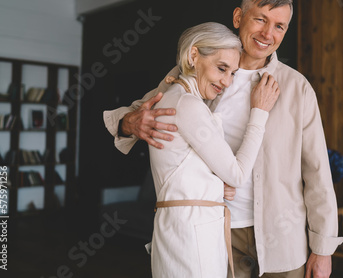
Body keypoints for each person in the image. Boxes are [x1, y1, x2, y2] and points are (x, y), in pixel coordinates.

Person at [103, 0, 343, 278]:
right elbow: (140, 109)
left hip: (283, 239)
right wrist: (129, 123)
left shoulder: (297, 88)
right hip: (216, 233)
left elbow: (317, 172)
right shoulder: (197, 72)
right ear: (238, 18)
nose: (268, 34)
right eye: (260, 19)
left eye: (279, 26)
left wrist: (322, 249)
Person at [110, 22, 279, 277]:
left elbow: (179, 165)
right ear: (193, 56)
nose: (227, 82)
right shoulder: (188, 105)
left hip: (182, 229)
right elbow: (237, 174)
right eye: (221, 68)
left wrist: (211, 184)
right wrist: (259, 113)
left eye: (232, 73)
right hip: (193, 235)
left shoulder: (175, 99)